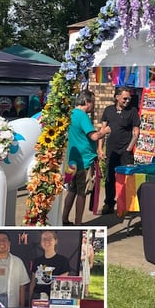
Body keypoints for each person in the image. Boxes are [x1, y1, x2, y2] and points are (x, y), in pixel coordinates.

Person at [62, 90, 111, 225]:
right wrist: (104, 132)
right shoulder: (82, 116)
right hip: (84, 160)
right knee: (81, 192)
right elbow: (94, 136)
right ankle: (78, 223)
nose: (93, 106)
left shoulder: (71, 114)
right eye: (93, 103)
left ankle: (64, 219)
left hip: (72, 159)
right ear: (86, 102)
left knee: (71, 190)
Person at [98, 86, 140, 214]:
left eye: (129, 99)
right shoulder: (108, 110)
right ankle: (109, 204)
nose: (127, 101)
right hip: (111, 150)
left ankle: (127, 205)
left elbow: (136, 132)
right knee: (110, 178)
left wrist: (129, 148)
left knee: (127, 179)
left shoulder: (132, 111)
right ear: (117, 98)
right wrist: (100, 148)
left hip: (125, 151)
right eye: (125, 98)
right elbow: (102, 131)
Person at [29, 231, 70, 301]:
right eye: (44, 239)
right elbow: (33, 283)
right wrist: (30, 301)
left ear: (55, 241)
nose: (46, 241)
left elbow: (62, 285)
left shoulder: (63, 261)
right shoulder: (37, 261)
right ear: (41, 242)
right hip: (37, 299)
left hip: (54, 299)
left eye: (50, 238)